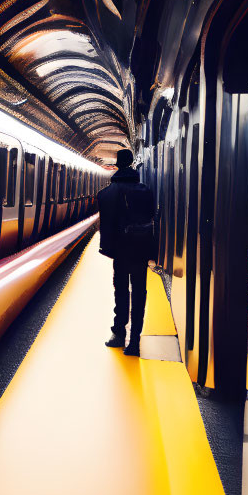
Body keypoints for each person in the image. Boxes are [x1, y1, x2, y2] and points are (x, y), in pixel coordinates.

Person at [97, 149, 156, 356]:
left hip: (119, 252)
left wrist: (107, 248)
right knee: (140, 293)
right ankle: (135, 342)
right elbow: (151, 216)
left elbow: (105, 226)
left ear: (117, 164)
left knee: (121, 292)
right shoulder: (146, 191)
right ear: (132, 163)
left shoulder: (105, 195)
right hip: (140, 249)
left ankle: (119, 334)